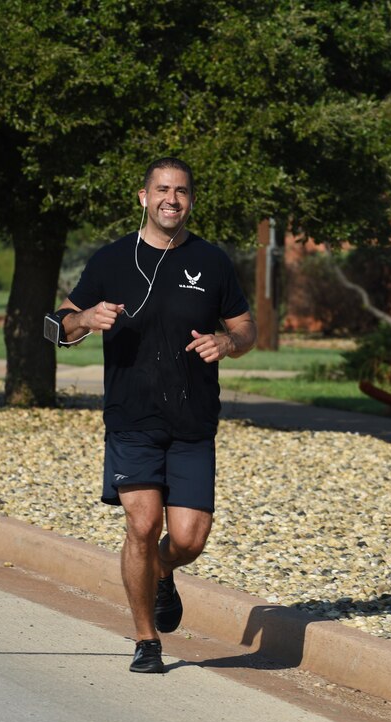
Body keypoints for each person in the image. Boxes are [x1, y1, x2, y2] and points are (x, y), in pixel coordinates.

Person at [50, 157, 256, 673]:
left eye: (181, 191)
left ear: (190, 200)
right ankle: (146, 640)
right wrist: (84, 319)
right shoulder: (112, 259)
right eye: (161, 190)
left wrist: (227, 342)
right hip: (131, 418)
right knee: (142, 525)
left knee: (188, 538)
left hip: (192, 424)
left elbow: (248, 328)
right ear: (143, 197)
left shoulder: (212, 262)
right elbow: (54, 325)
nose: (171, 199)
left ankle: (162, 572)